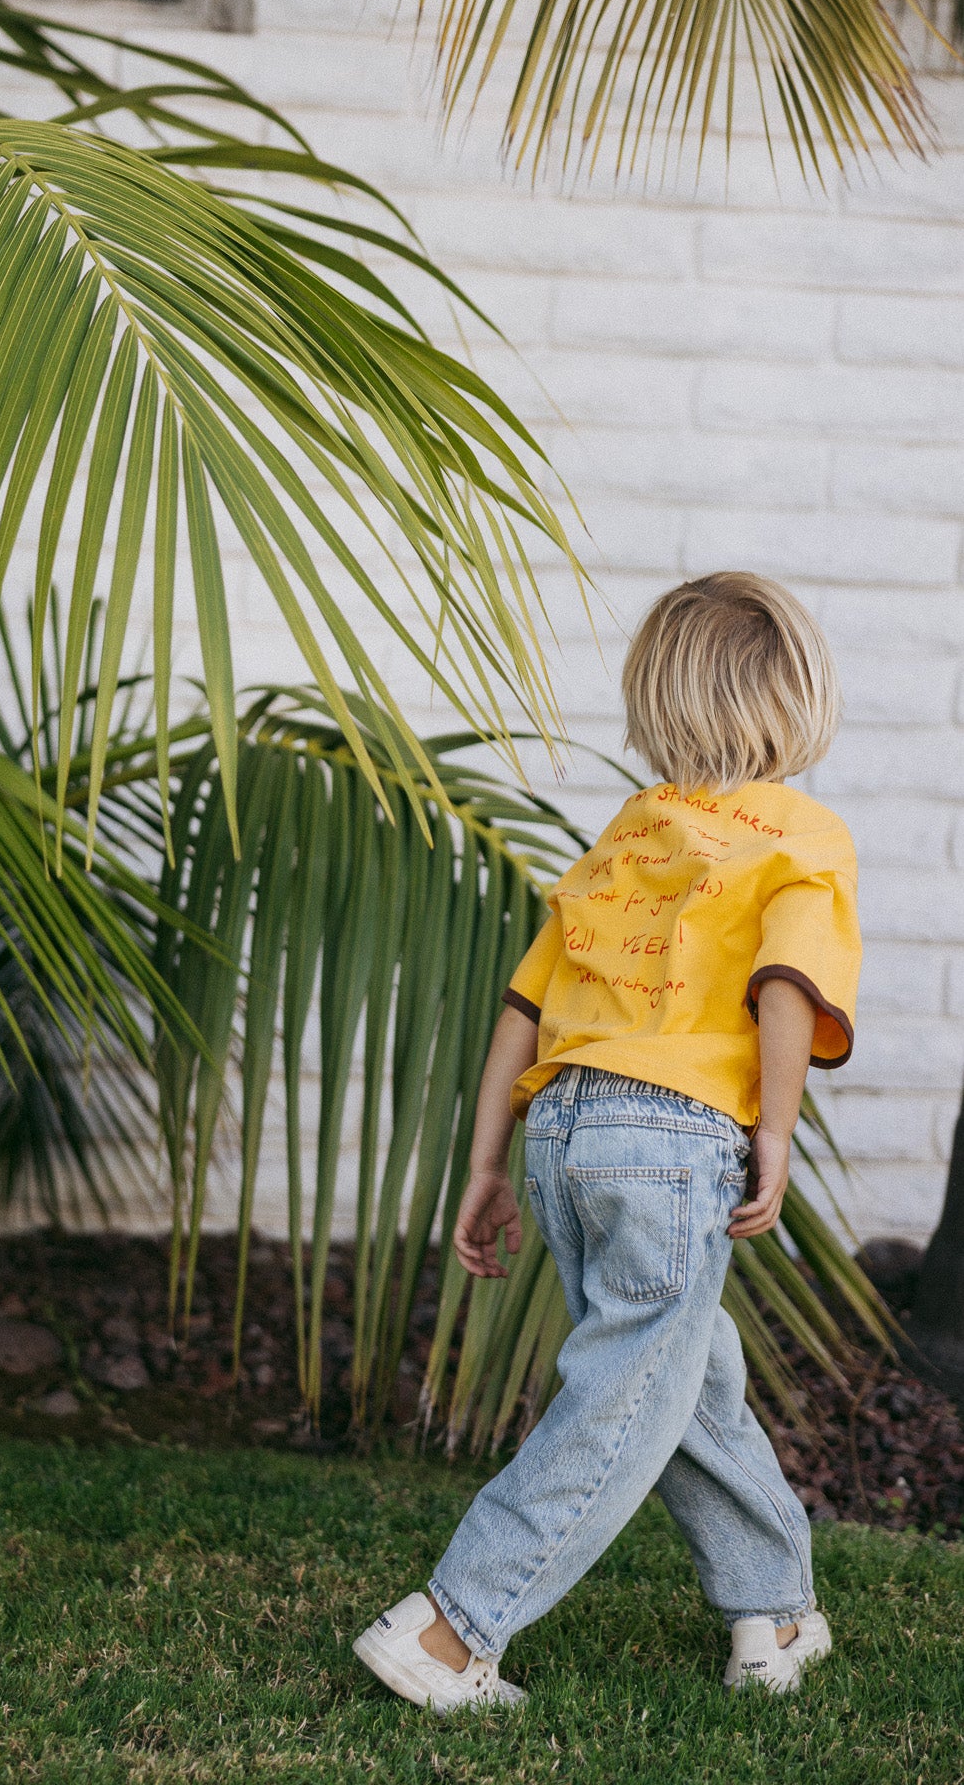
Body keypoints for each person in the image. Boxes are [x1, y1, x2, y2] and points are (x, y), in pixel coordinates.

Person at [354, 573, 861, 1714]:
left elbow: (522, 1012)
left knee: (678, 1369)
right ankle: (450, 1626)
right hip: (675, 1139)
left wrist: (487, 1164)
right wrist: (770, 1129)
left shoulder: (631, 832)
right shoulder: (805, 834)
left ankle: (771, 1607)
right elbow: (787, 984)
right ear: (798, 699)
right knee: (623, 1394)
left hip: (567, 1127)